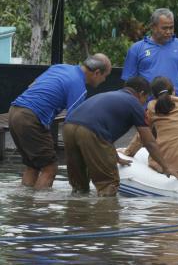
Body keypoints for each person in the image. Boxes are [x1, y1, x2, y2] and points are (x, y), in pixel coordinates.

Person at [63, 77, 178, 197]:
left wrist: (116, 157)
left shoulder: (109, 96)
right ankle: (104, 214)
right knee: (108, 184)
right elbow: (148, 141)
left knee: (79, 185)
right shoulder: (134, 103)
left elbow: (105, 130)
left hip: (68, 127)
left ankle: (75, 212)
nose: (144, 102)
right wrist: (165, 166)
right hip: (90, 132)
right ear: (141, 94)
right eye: (145, 98)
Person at [8, 53, 111, 190]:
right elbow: (74, 122)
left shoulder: (60, 67)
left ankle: (25, 204)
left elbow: (32, 85)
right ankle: (39, 209)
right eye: (105, 76)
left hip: (14, 111)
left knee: (32, 165)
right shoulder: (78, 86)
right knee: (49, 168)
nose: (104, 80)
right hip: (31, 119)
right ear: (97, 73)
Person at [121, 8, 178, 97]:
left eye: (171, 27)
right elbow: (129, 84)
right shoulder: (136, 49)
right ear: (153, 27)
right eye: (164, 28)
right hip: (148, 106)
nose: (169, 32)